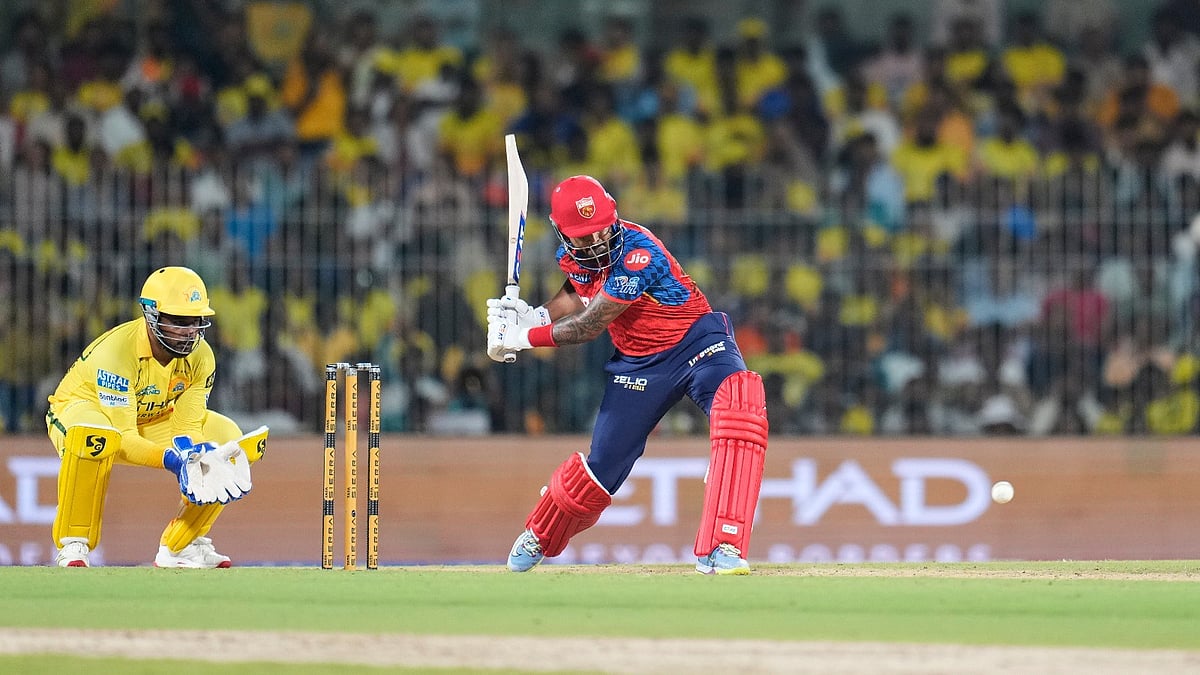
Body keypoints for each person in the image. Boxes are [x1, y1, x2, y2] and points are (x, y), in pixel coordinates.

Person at [487, 175, 769, 575]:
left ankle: (723, 546)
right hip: (640, 364)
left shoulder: (639, 254)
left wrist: (522, 337)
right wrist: (536, 314)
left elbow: (589, 325)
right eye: (584, 238)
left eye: (601, 229)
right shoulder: (575, 258)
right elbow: (575, 291)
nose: (598, 243)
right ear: (563, 235)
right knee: (602, 467)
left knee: (741, 404)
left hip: (697, 344)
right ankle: (541, 531)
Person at [46, 266, 268, 568]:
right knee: (95, 435)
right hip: (82, 411)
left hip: (149, 419)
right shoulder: (117, 352)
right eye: (178, 321)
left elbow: (188, 427)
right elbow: (123, 436)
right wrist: (175, 461)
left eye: (196, 322)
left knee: (226, 440)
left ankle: (183, 545)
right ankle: (74, 544)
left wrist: (199, 456)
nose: (189, 332)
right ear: (150, 315)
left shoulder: (201, 356)